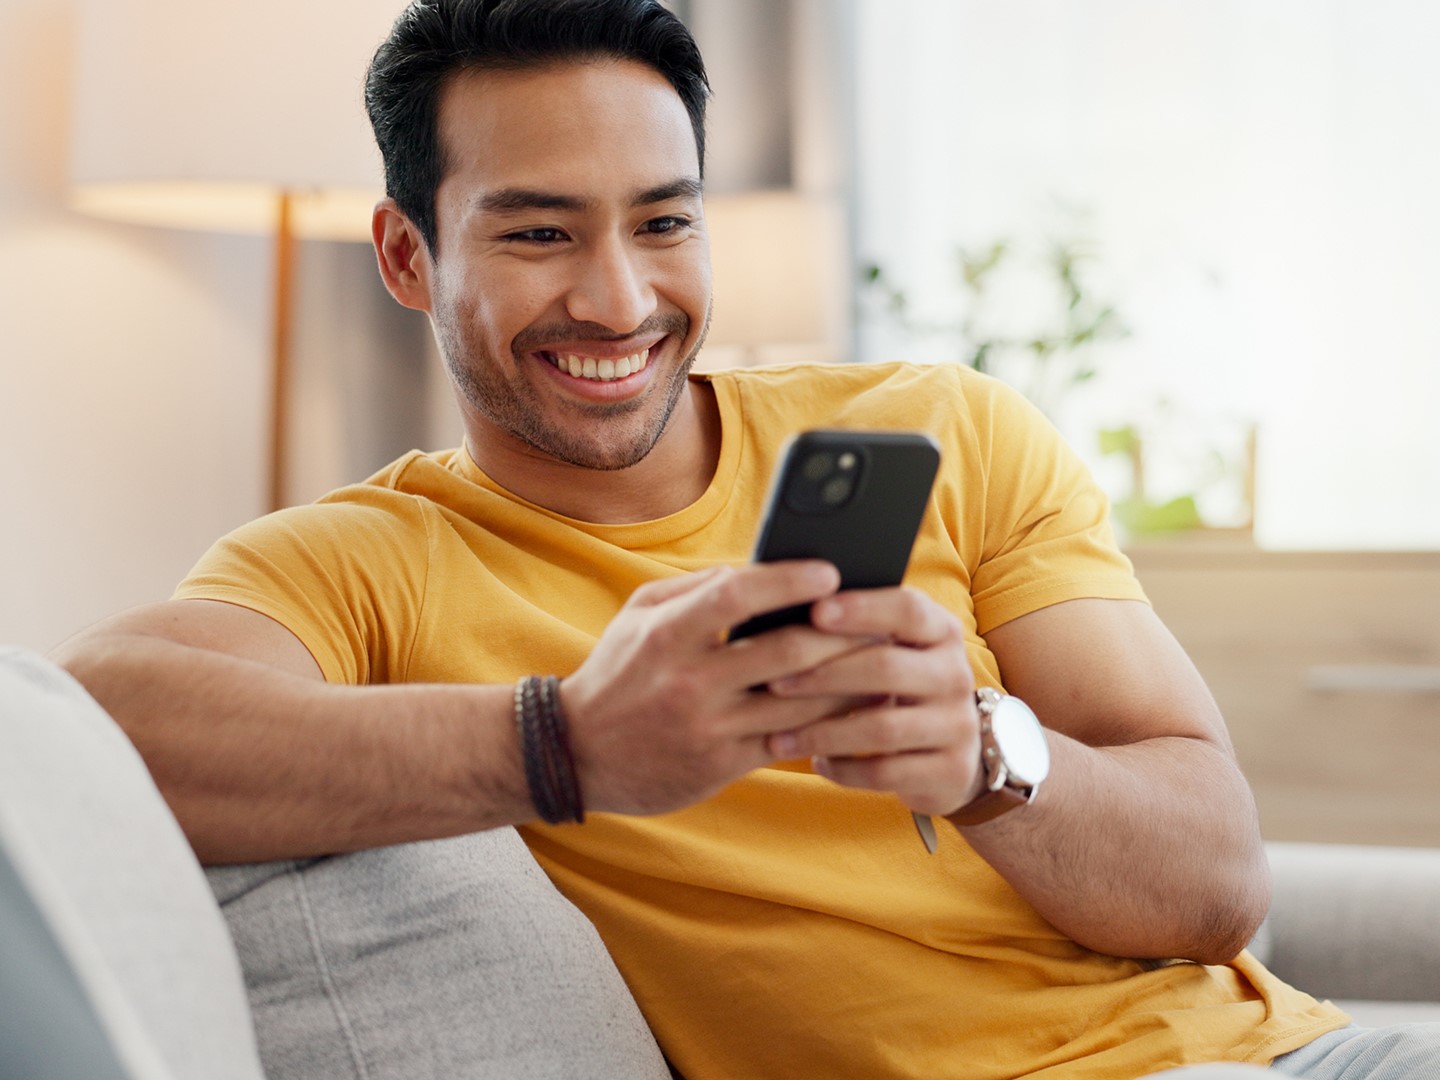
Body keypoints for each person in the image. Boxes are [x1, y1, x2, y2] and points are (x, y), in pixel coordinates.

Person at [51, 1, 1438, 1077]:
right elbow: (100, 721)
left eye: (665, 223)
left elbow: (1216, 883)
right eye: (538, 233)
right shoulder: (365, 559)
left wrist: (982, 755)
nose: (617, 298)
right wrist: (569, 745)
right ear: (408, 255)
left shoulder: (945, 426)